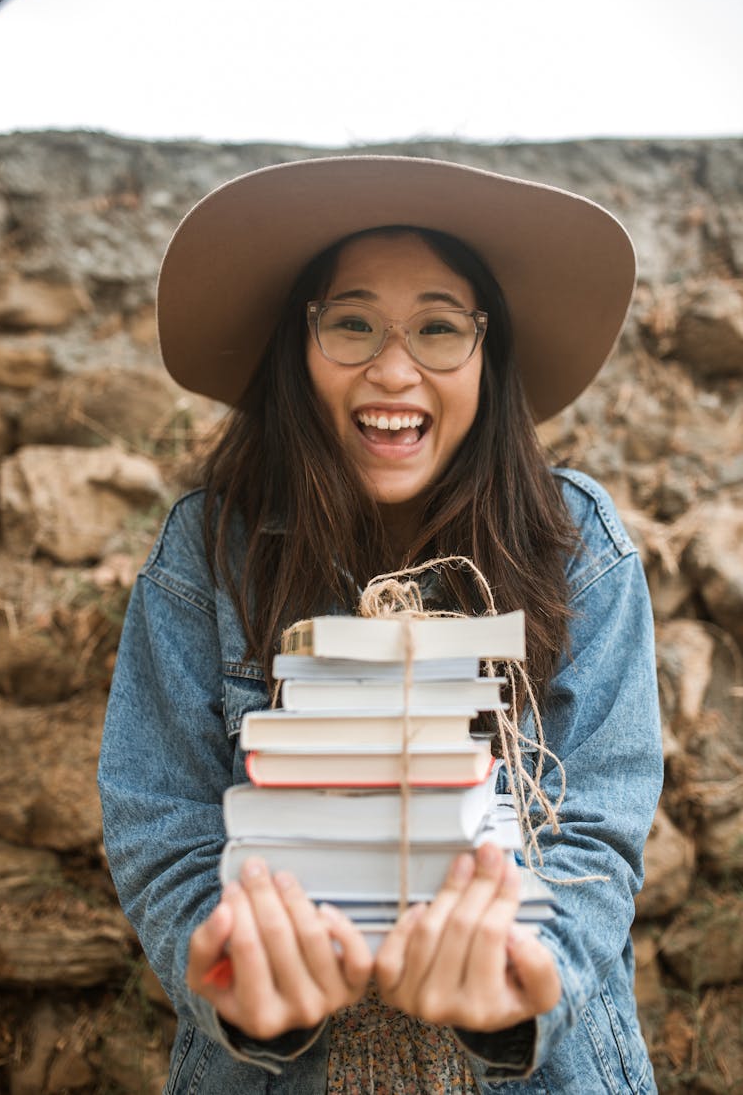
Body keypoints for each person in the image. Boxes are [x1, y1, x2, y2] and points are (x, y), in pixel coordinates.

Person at [97, 155, 663, 1094]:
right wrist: (238, 969)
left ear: (489, 355)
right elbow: (163, 822)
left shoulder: (577, 544)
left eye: (439, 327)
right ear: (299, 344)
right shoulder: (208, 552)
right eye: (351, 322)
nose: (392, 366)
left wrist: (525, 973)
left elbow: (598, 824)